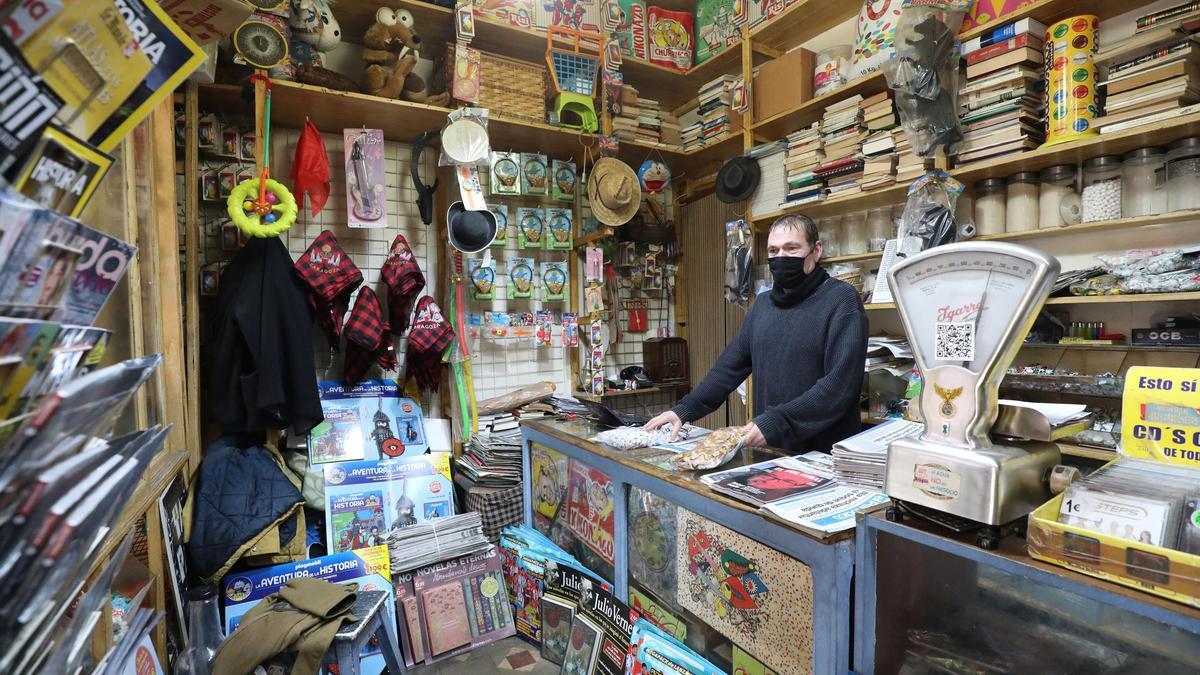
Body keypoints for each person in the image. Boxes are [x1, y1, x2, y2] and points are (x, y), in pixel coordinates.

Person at [644, 214, 867, 453]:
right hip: (774, 450)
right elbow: (729, 368)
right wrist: (684, 409)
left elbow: (839, 386)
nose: (781, 257)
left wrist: (776, 422)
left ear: (816, 250)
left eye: (792, 248)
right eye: (774, 251)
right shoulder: (762, 305)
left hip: (825, 455)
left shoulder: (841, 301)